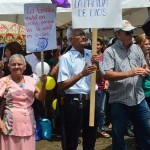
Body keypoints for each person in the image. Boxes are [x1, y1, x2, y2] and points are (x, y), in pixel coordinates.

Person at [102, 20, 150, 150]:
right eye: (128, 32)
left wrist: (144, 71)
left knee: (146, 132)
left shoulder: (136, 49)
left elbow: (143, 66)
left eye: (132, 32)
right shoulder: (110, 52)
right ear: (118, 35)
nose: (131, 35)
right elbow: (107, 74)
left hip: (139, 98)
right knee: (118, 137)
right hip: (120, 100)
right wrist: (130, 73)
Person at [57, 26, 102, 150]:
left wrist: (97, 65)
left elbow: (98, 80)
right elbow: (62, 85)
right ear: (70, 39)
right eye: (79, 34)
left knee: (91, 138)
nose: (83, 36)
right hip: (74, 101)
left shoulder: (91, 54)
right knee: (71, 139)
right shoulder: (66, 58)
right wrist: (82, 74)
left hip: (92, 99)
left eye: (84, 34)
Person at [0, 54, 47, 150]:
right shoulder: (4, 81)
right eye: (13, 64)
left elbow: (40, 97)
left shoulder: (31, 80)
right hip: (9, 125)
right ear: (8, 67)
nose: (16, 67)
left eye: (19, 64)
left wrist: (43, 86)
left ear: (25, 66)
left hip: (28, 123)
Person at [96, 38, 110, 138]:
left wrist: (106, 82)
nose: (96, 46)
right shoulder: (89, 56)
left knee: (101, 109)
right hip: (91, 87)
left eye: (98, 44)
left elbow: (107, 71)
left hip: (101, 87)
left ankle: (101, 127)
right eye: (94, 44)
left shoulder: (104, 57)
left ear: (101, 46)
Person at [136, 34, 150, 108]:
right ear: (140, 45)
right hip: (143, 94)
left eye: (149, 44)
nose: (149, 46)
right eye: (146, 44)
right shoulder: (136, 59)